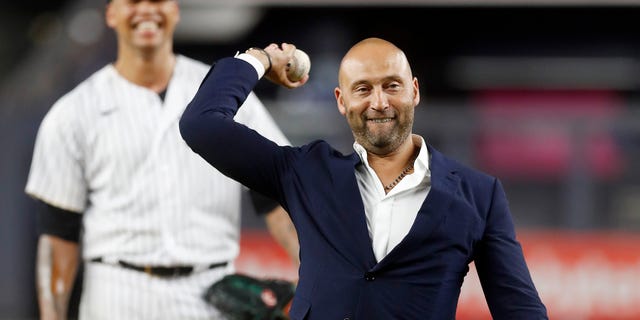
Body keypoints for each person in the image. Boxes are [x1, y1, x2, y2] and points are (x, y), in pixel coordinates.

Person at [179, 38, 549, 319]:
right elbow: (202, 125)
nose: (379, 102)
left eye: (392, 85)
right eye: (363, 89)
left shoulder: (479, 194)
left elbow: (520, 310)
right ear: (341, 101)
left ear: (414, 91)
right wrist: (260, 59)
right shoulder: (305, 173)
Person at [25, 0, 299, 319]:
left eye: (157, 0)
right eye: (132, 2)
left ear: (176, 10)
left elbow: (277, 199)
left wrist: (318, 282)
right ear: (111, 13)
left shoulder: (227, 95)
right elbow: (59, 234)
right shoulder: (73, 112)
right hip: (117, 293)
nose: (146, 10)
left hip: (211, 292)